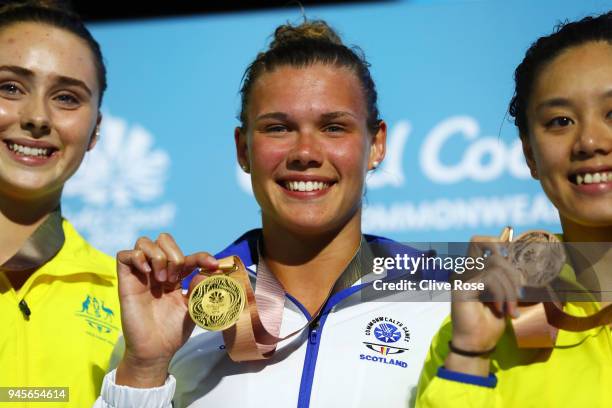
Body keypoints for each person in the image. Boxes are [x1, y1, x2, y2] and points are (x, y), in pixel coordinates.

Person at [96, 20, 450, 408]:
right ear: (243, 150)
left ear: (376, 144)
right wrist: (145, 368)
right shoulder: (182, 311)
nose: (306, 152)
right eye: (279, 128)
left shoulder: (444, 303)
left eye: (333, 128)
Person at [416, 11, 612, 407]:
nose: (590, 141)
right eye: (560, 121)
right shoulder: (488, 326)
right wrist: (471, 354)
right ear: (530, 155)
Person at [0, 1, 121, 406]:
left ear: (94, 132)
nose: (37, 117)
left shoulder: (127, 301)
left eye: (67, 97)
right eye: (10, 87)